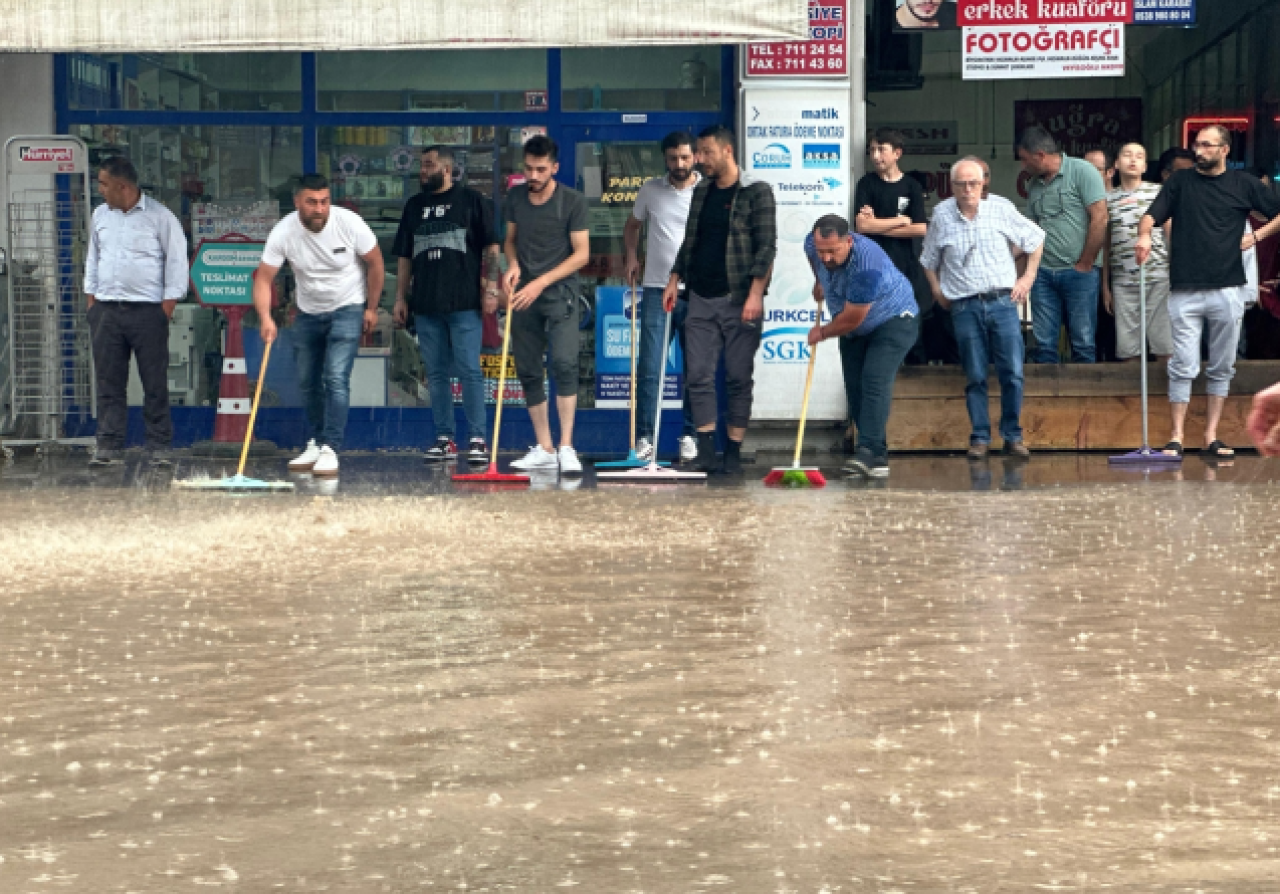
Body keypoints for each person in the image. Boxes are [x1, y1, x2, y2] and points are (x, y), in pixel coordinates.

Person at [1137, 125, 1280, 459]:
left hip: (1228, 287)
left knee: (1222, 364)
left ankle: (1211, 436)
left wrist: (1257, 238)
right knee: (1183, 363)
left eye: (1206, 145)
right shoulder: (1179, 182)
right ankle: (1175, 436)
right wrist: (1144, 235)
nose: (1199, 151)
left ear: (1224, 150)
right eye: (1196, 145)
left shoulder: (1243, 184)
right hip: (1185, 287)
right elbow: (1150, 216)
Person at [254, 174, 385, 479]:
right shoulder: (284, 231)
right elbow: (263, 278)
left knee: (335, 377)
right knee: (307, 381)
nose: (320, 208)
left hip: (347, 306)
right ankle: (316, 441)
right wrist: (265, 317)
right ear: (297, 201)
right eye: (312, 202)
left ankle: (331, 448)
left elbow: (376, 262)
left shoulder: (349, 223)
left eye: (325, 201)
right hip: (307, 311)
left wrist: (371, 308)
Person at [665, 125, 777, 475]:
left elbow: (767, 247)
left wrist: (756, 295)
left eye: (706, 152)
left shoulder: (756, 192)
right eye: (698, 152)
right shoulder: (701, 191)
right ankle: (706, 449)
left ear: (727, 152)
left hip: (740, 297)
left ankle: (733, 450)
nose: (700, 159)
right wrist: (674, 278)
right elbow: (690, 241)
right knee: (697, 374)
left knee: (737, 377)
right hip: (700, 295)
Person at [920, 159, 1045, 460]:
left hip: (1002, 302)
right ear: (951, 187)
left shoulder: (1001, 208)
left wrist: (1027, 277)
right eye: (961, 184)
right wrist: (937, 290)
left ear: (983, 184)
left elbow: (1036, 238)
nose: (967, 189)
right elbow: (928, 260)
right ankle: (979, 437)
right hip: (964, 305)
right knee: (974, 374)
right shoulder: (941, 214)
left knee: (1012, 372)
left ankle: (1012, 436)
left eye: (973, 183)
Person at [392, 145, 500, 465]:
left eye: (429, 165)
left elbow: (492, 248)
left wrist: (492, 288)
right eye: (421, 166)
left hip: (464, 302)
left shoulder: (473, 202)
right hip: (425, 304)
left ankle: (478, 439)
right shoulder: (413, 206)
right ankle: (445, 439)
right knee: (436, 374)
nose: (423, 171)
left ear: (448, 170)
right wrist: (400, 297)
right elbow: (404, 257)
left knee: (469, 371)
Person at [83, 156, 188, 467]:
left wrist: (166, 308)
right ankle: (109, 444)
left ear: (123, 186)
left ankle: (158, 446)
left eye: (104, 184)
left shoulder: (160, 217)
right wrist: (92, 302)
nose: (100, 190)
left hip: (147, 312)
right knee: (108, 382)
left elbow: (176, 263)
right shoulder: (100, 215)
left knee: (153, 382)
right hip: (106, 310)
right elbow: (93, 258)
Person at [502, 135, 591, 474]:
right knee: (527, 369)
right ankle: (545, 447)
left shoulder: (572, 201)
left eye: (541, 169)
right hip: (523, 294)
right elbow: (509, 241)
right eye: (528, 169)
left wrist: (540, 281)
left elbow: (582, 254)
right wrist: (512, 266)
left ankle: (567, 445)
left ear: (555, 167)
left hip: (559, 293)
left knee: (565, 364)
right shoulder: (515, 198)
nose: (533, 176)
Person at [806, 215, 918, 479]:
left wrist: (821, 332)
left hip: (894, 319)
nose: (825, 258)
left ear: (849, 241)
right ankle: (876, 455)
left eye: (832, 252)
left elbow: (853, 318)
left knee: (873, 381)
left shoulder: (867, 265)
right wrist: (821, 279)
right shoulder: (812, 246)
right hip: (853, 324)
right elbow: (816, 262)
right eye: (821, 251)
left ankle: (867, 450)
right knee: (854, 385)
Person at [624, 132, 701, 463]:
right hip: (656, 288)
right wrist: (630, 255)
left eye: (685, 157)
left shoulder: (707, 192)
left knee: (696, 369)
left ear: (695, 156)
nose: (679, 164)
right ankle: (645, 439)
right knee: (651, 367)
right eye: (673, 158)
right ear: (664, 159)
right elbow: (632, 226)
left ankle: (690, 437)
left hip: (698, 290)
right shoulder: (650, 189)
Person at [1017, 125, 1108, 364]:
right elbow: (1031, 232)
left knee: (1083, 341)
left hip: (1078, 272)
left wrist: (1086, 262)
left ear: (1040, 155)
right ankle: (1046, 401)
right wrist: (1026, 272)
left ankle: (1086, 400)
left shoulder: (1083, 171)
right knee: (1044, 344)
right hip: (1043, 273)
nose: (1022, 166)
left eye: (1025, 160)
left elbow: (1100, 217)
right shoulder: (1034, 185)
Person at [854, 128, 929, 359]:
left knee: (909, 315)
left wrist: (879, 225)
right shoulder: (866, 183)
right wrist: (899, 221)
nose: (875, 156)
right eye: (872, 150)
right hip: (874, 266)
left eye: (881, 150)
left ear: (897, 153)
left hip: (906, 266)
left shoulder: (912, 186)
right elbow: (862, 227)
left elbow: (921, 228)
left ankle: (914, 364)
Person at [1103, 143, 1173, 362]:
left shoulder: (1158, 192)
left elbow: (1171, 232)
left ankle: (1167, 395)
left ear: (1145, 166)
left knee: (1164, 342)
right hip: (1123, 280)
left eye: (1139, 156)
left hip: (1159, 276)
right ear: (1116, 164)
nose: (1133, 160)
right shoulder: (1107, 198)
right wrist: (1105, 285)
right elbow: (1107, 244)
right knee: (1128, 346)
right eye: (1127, 155)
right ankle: (1131, 396)